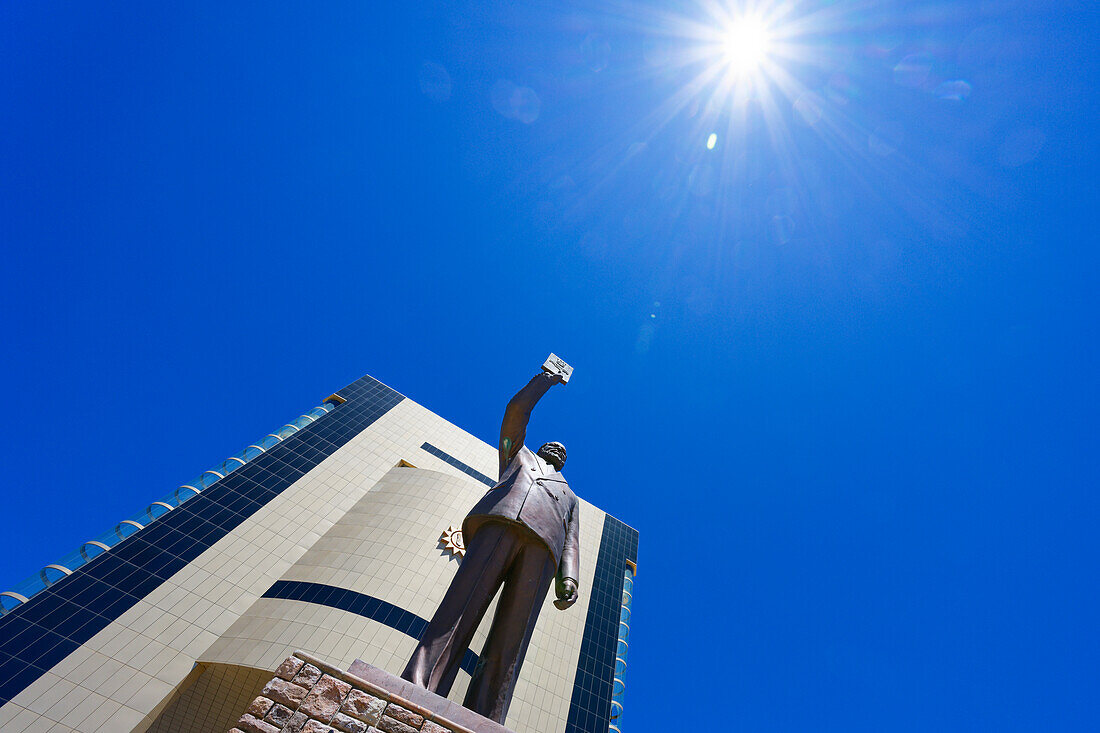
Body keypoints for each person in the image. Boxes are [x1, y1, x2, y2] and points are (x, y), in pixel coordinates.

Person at [402, 369, 580, 724]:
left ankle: (487, 713)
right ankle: (420, 685)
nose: (556, 448)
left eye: (562, 450)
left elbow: (572, 542)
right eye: (552, 445)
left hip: (543, 551)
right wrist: (544, 381)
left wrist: (569, 579)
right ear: (541, 447)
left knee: (511, 638)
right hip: (502, 521)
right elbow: (516, 412)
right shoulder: (517, 456)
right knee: (460, 608)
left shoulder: (571, 497)